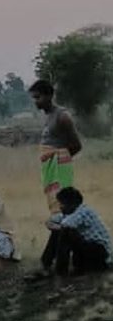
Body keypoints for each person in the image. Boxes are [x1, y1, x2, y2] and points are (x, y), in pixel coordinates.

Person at [35, 186, 112, 278]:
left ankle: (60, 272)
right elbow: (52, 220)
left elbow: (65, 225)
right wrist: (54, 225)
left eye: (62, 204)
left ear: (70, 204)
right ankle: (47, 264)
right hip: (87, 251)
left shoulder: (84, 211)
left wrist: (55, 226)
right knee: (61, 231)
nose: (60, 207)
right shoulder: (71, 212)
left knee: (65, 232)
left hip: (99, 254)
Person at [30, 79, 82, 211]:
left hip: (59, 168)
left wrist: (60, 160)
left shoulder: (62, 116)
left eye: (38, 97)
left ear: (49, 96)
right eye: (34, 98)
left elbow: (76, 145)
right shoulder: (48, 116)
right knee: (54, 203)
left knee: (63, 203)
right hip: (50, 168)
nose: (35, 101)